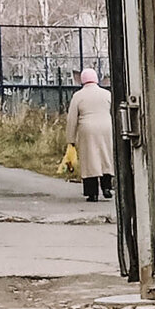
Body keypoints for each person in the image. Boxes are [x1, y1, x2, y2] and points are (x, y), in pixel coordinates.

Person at [66, 65, 116, 211]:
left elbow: (72, 119)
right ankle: (107, 188)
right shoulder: (107, 94)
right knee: (106, 157)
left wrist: (71, 139)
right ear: (96, 79)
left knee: (90, 159)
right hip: (106, 127)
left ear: (83, 80)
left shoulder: (78, 96)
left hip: (87, 129)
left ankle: (92, 193)